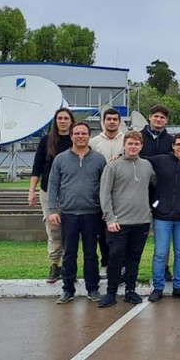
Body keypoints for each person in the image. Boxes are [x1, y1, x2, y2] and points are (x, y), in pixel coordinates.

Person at [48, 122, 106, 304]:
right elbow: (53, 185)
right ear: (71, 136)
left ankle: (93, 288)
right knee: (69, 254)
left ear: (89, 136)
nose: (80, 136)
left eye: (84, 133)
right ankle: (67, 289)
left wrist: (105, 210)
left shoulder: (99, 159)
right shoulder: (60, 159)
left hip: (92, 213)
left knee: (91, 253)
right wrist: (52, 210)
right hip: (69, 214)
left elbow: (105, 187)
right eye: (77, 133)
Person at [98, 131, 155, 307]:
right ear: (124, 145)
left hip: (141, 221)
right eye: (130, 143)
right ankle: (111, 292)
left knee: (134, 257)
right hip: (118, 222)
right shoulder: (113, 166)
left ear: (141, 146)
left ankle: (130, 290)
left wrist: (153, 208)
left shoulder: (147, 165)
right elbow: (104, 193)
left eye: (136, 144)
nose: (133, 147)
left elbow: (156, 185)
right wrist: (109, 218)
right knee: (115, 257)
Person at [147, 133, 180, 302]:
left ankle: (179, 286)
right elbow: (137, 156)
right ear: (173, 145)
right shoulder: (160, 160)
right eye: (178, 144)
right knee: (160, 253)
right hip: (162, 216)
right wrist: (117, 156)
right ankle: (158, 287)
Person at [29, 108, 73, 283]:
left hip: (71, 191)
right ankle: (55, 264)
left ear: (71, 121)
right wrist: (31, 190)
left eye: (66, 118)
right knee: (53, 229)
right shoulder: (46, 141)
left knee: (71, 230)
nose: (63, 121)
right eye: (59, 118)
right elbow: (37, 166)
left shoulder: (76, 140)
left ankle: (70, 266)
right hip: (49, 191)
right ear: (55, 121)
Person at [139, 104, 174, 281]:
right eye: (156, 116)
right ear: (150, 117)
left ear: (166, 120)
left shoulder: (171, 141)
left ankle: (165, 267)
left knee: (163, 232)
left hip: (162, 193)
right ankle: (130, 267)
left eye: (162, 117)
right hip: (140, 192)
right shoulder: (139, 137)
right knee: (136, 231)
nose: (159, 120)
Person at [89, 107, 124, 279]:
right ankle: (106, 263)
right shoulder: (94, 142)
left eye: (114, 119)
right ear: (103, 121)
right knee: (103, 231)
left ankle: (122, 264)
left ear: (119, 121)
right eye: (108, 119)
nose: (111, 122)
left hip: (122, 192)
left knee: (122, 230)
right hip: (100, 191)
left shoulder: (126, 139)